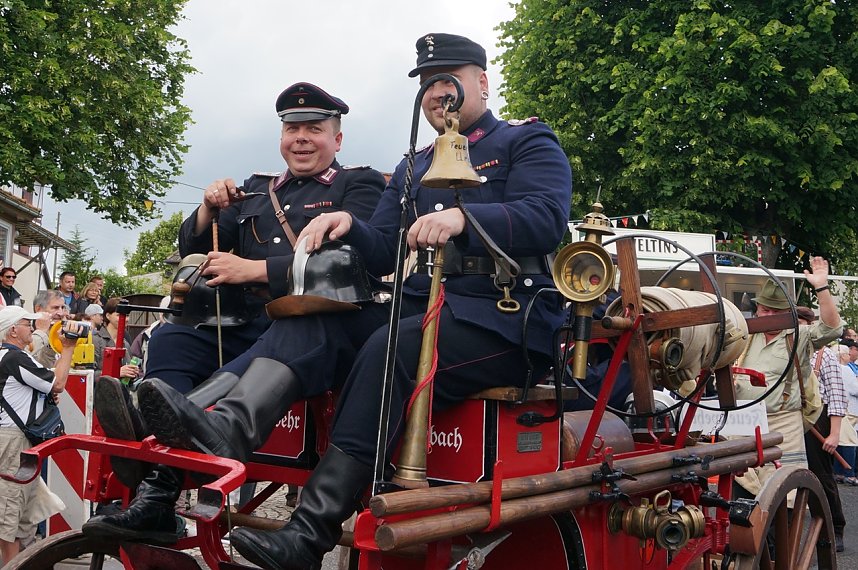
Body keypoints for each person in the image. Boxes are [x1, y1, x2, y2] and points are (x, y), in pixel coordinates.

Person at [82, 33, 572, 570]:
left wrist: (463, 219)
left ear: (481, 80)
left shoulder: (525, 142)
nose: (440, 91)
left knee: (393, 348)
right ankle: (229, 426)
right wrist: (352, 226)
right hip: (422, 304)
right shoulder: (413, 166)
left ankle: (309, 533)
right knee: (315, 312)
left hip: (503, 315)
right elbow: (384, 250)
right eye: (430, 83)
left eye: (450, 76)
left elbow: (548, 217)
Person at [142, 82, 386, 395]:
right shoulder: (257, 189)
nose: (301, 138)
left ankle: (193, 415)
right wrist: (208, 208)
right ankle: (155, 428)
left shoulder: (360, 183)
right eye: (292, 128)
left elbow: (352, 262)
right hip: (243, 322)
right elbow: (193, 253)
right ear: (282, 137)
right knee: (170, 339)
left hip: (310, 327)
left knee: (270, 350)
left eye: (313, 129)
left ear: (337, 140)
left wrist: (252, 270)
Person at [733, 266, 843, 543]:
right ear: (757, 310)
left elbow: (833, 328)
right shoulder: (744, 336)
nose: (768, 316)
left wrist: (821, 286)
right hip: (744, 422)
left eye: (774, 312)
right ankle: (746, 543)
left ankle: (776, 546)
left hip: (784, 422)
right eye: (764, 310)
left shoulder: (799, 335)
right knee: (741, 485)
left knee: (784, 491)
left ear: (787, 313)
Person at [0, 307, 81, 564]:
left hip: (13, 438)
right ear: (13, 330)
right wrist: (68, 346)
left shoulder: (11, 357)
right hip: (14, 440)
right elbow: (57, 383)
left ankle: (22, 560)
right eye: (28, 323)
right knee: (11, 508)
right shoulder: (14, 358)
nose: (33, 328)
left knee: (20, 506)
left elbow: (43, 382)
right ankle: (14, 565)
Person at [797, 306, 848, 552]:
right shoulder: (785, 350)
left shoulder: (824, 355)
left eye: (800, 324)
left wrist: (835, 434)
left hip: (818, 418)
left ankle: (834, 527)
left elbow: (837, 395)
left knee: (821, 475)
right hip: (791, 417)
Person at [92, 297, 139, 381]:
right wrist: (116, 372)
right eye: (119, 315)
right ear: (108, 316)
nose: (125, 319)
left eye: (127, 315)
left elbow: (127, 377)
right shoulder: (95, 340)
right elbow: (89, 374)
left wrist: (133, 373)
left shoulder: (125, 343)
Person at [834, 342, 858, 485]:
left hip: (837, 409)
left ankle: (838, 473)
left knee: (839, 442)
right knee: (850, 441)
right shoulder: (846, 370)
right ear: (842, 356)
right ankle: (849, 474)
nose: (849, 356)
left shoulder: (836, 369)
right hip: (850, 410)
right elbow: (855, 389)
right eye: (847, 354)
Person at [28, 290, 65, 369]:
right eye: (55, 308)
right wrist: (41, 332)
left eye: (62, 307)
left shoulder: (62, 334)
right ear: (38, 309)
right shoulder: (26, 334)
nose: (61, 313)